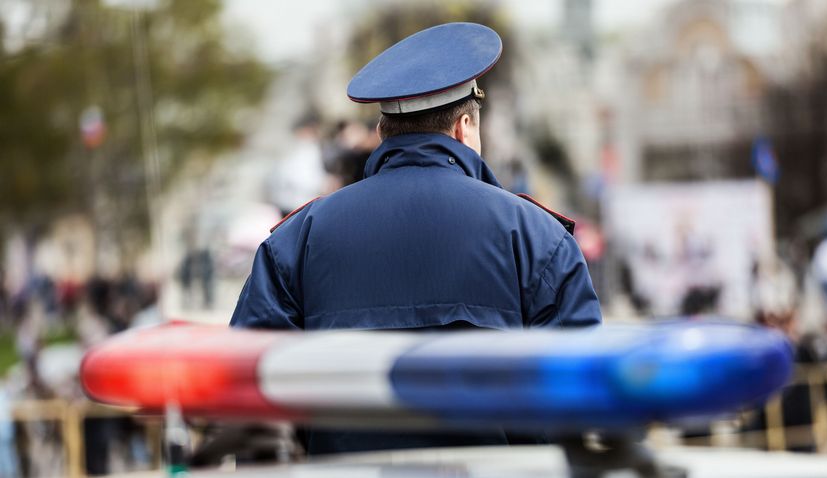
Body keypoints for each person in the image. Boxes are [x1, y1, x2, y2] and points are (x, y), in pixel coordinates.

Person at [231, 23, 601, 455]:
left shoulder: (297, 239)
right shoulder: (539, 238)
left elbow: (248, 394)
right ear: (464, 127)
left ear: (384, 132)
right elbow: (582, 396)